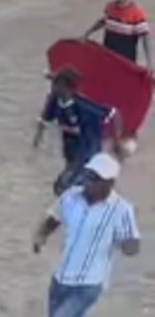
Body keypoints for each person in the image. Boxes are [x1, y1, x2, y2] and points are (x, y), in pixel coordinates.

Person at [33, 153, 140, 317]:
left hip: (89, 284)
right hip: (60, 278)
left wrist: (127, 244)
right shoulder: (70, 196)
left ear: (109, 183)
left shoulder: (121, 209)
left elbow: (133, 245)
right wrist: (40, 237)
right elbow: (54, 219)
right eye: (88, 175)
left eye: (95, 179)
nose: (88, 182)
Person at [34, 67, 123, 195]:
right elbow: (44, 120)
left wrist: (117, 142)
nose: (52, 86)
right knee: (61, 186)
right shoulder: (54, 100)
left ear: (66, 87)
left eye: (56, 83)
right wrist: (36, 141)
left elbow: (114, 113)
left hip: (88, 150)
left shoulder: (83, 105)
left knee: (67, 187)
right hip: (71, 150)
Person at [84, 0, 151, 69]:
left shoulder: (136, 13)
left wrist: (149, 62)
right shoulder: (110, 7)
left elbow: (145, 37)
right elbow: (103, 21)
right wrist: (87, 34)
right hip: (108, 56)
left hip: (126, 60)